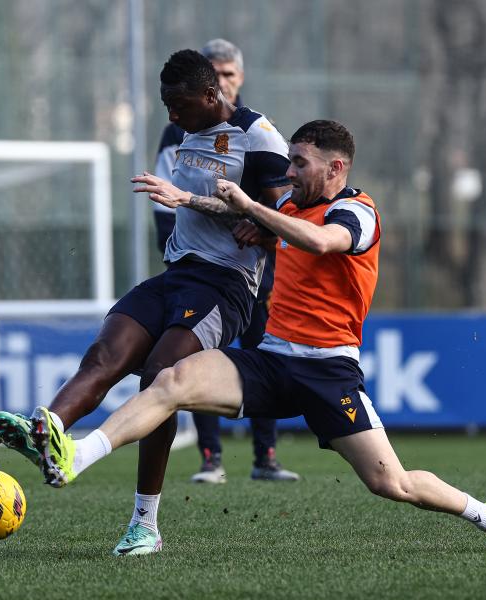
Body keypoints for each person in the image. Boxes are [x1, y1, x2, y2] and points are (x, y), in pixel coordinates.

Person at [28, 120, 486, 553]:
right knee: (170, 380)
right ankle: (80, 455)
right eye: (290, 161)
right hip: (273, 362)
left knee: (393, 484)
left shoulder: (357, 213)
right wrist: (187, 198)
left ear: (335, 167)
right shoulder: (290, 208)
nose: (289, 170)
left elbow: (322, 242)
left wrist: (257, 211)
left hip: (328, 372)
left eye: (300, 163)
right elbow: (241, 212)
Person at [0, 49, 292, 555]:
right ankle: (48, 430)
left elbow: (287, 217)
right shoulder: (181, 134)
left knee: (160, 374)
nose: (171, 116)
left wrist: (251, 223)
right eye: (165, 105)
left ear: (210, 94)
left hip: (227, 286)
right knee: (106, 353)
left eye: (179, 105)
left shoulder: (259, 136)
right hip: (177, 273)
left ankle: (145, 524)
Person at [152, 38, 298, 485]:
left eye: (230, 74)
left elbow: (284, 205)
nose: (224, 81)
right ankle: (211, 458)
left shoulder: (257, 131)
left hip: (256, 266)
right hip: (200, 268)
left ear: (237, 79)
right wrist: (172, 250)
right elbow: (164, 199)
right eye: (216, 73)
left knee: (263, 352)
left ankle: (265, 456)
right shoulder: (179, 130)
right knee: (196, 359)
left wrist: (268, 232)